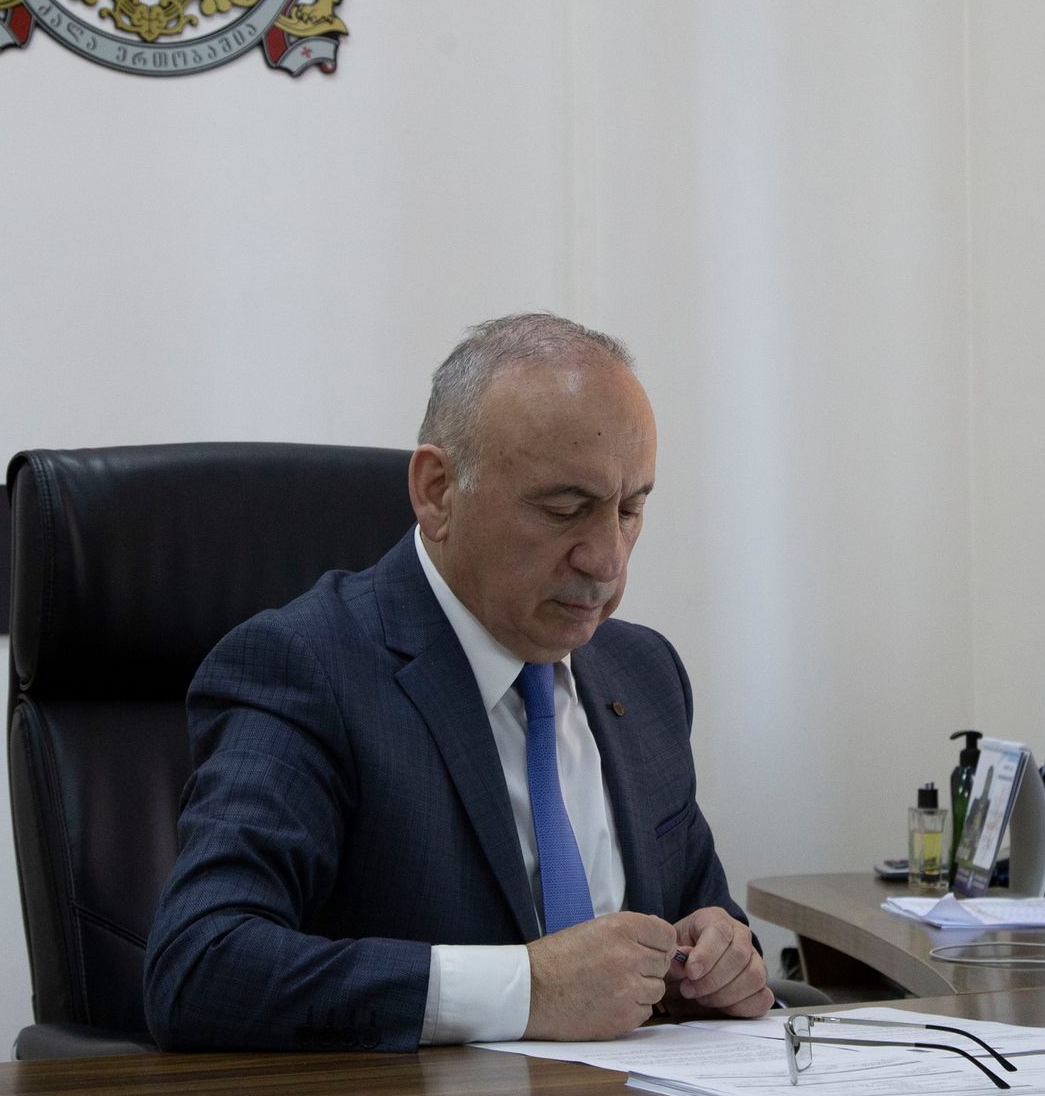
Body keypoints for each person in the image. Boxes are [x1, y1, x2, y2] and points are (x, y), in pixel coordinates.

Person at [143, 313, 770, 1051]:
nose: (607, 559)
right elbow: (201, 965)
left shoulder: (646, 672)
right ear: (438, 491)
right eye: (565, 509)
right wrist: (526, 989)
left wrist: (722, 960)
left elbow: (704, 919)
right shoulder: (306, 668)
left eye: (630, 509)